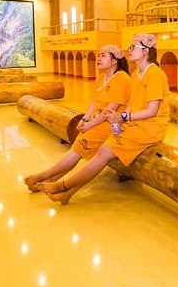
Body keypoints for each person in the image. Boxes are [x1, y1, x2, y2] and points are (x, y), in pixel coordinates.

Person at [36, 33, 169, 204]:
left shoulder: (155, 74)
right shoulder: (137, 74)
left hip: (150, 127)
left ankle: (62, 185)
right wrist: (116, 120)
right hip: (132, 124)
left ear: (145, 51)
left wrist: (120, 117)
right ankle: (67, 192)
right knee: (102, 153)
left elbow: (152, 111)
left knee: (104, 152)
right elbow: (130, 105)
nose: (129, 50)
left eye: (133, 47)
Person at [23, 45, 131, 191]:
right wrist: (84, 119)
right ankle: (51, 179)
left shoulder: (122, 78)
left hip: (113, 125)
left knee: (76, 151)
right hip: (98, 121)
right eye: (98, 55)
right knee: (77, 149)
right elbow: (94, 101)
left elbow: (109, 110)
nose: (98, 58)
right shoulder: (102, 78)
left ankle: (44, 176)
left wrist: (90, 125)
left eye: (103, 55)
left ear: (114, 61)